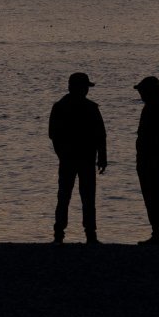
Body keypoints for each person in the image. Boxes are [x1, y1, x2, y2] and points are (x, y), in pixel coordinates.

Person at [48, 72, 107, 244]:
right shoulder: (89, 108)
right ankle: (87, 234)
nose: (86, 91)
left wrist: (62, 154)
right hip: (82, 159)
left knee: (67, 196)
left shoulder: (60, 106)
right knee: (84, 197)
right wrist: (101, 157)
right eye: (85, 87)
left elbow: (53, 135)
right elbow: (100, 136)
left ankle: (62, 234)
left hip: (73, 160)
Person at [135, 76, 159, 245]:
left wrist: (152, 160)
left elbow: (157, 139)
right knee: (153, 196)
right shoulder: (156, 107)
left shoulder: (157, 108)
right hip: (151, 161)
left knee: (154, 197)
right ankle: (158, 232)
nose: (140, 94)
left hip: (152, 162)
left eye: (142, 91)